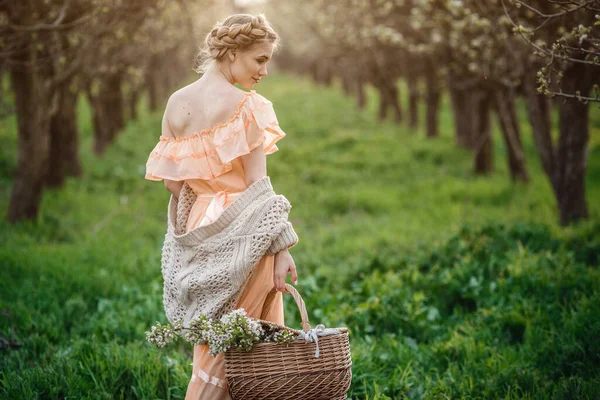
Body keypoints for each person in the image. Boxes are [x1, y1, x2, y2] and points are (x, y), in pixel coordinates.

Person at [144, 13, 298, 400]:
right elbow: (257, 188)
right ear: (232, 53)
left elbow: (172, 183)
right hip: (248, 230)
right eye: (259, 60)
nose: (264, 71)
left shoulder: (176, 104)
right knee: (251, 349)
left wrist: (208, 210)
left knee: (215, 342)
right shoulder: (247, 107)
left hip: (201, 227)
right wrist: (283, 248)